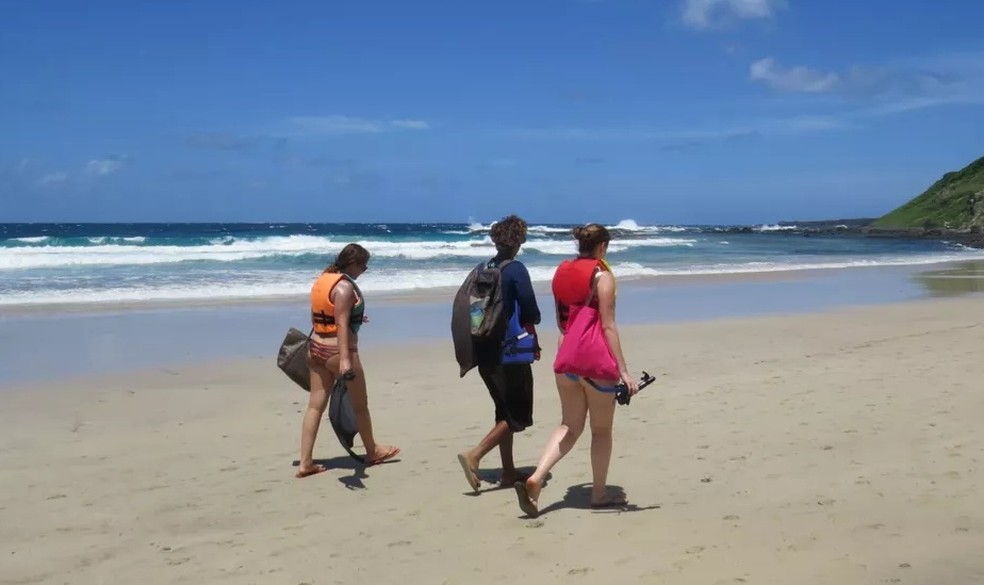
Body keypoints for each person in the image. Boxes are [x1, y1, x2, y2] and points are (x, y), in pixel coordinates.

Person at [513, 223, 639, 516]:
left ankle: (536, 477)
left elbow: (562, 321)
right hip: (595, 361)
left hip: (566, 357)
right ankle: (599, 494)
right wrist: (624, 371)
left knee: (568, 425)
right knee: (601, 430)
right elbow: (607, 326)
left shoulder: (561, 272)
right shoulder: (602, 276)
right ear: (602, 247)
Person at [296, 243, 400, 478]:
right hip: (337, 353)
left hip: (316, 349)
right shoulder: (344, 287)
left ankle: (305, 463)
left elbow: (330, 313)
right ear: (352, 264)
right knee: (360, 405)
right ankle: (372, 451)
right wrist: (345, 360)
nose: (365, 269)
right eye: (363, 265)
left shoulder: (324, 279)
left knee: (315, 406)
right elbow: (341, 324)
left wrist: (357, 316)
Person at [457, 215, 542, 492]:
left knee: (502, 411)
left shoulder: (484, 267)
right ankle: (475, 455)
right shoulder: (515, 269)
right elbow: (531, 311)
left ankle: (507, 472)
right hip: (510, 351)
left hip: (484, 350)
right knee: (517, 414)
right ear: (520, 241)